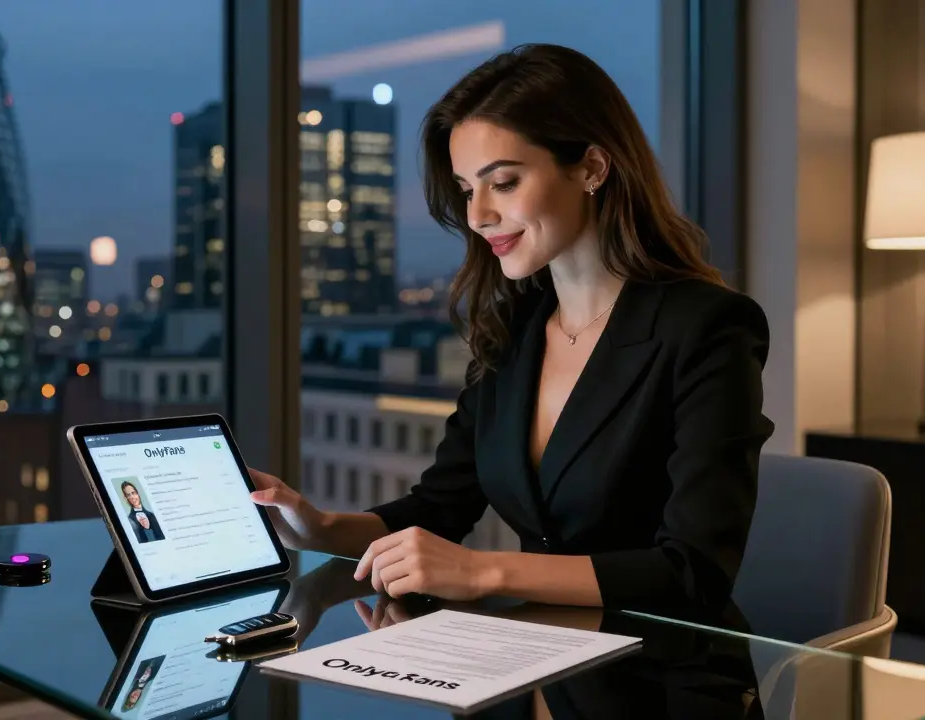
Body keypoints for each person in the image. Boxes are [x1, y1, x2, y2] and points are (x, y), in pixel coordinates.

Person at [251, 44, 773, 622]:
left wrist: (481, 570)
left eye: (502, 182)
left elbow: (693, 571)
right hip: (537, 656)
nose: (476, 216)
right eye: (466, 189)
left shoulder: (707, 327)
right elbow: (439, 508)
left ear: (592, 169)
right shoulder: (514, 329)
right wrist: (317, 527)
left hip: (665, 675)